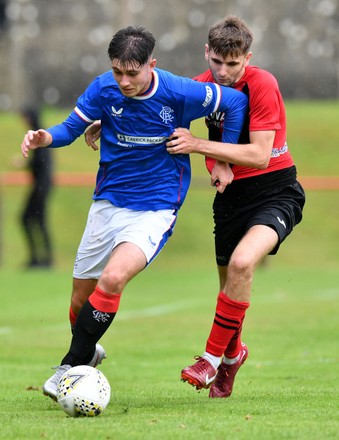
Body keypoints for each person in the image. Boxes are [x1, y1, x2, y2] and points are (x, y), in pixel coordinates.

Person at [21, 25, 248, 401]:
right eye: (117, 72)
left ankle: (69, 367)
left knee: (113, 279)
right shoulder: (102, 88)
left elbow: (235, 103)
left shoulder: (178, 91)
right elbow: (70, 128)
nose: (124, 81)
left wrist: (220, 158)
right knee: (80, 302)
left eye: (132, 72)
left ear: (151, 65)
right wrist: (46, 137)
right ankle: (89, 352)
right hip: (107, 203)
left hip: (156, 208)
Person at [165, 16, 306, 398]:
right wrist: (98, 122)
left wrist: (199, 146)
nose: (224, 72)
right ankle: (232, 358)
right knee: (230, 288)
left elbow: (260, 155)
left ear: (248, 57)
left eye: (234, 63)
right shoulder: (202, 87)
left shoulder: (262, 84)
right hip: (231, 200)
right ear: (207, 53)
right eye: (218, 62)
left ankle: (209, 361)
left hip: (276, 190)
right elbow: (157, 111)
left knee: (243, 264)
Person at [20, 106, 53, 268]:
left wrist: (24, 163)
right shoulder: (39, 133)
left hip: (42, 186)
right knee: (36, 220)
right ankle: (42, 258)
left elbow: (41, 162)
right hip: (42, 185)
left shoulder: (39, 135)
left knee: (30, 219)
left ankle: (41, 259)